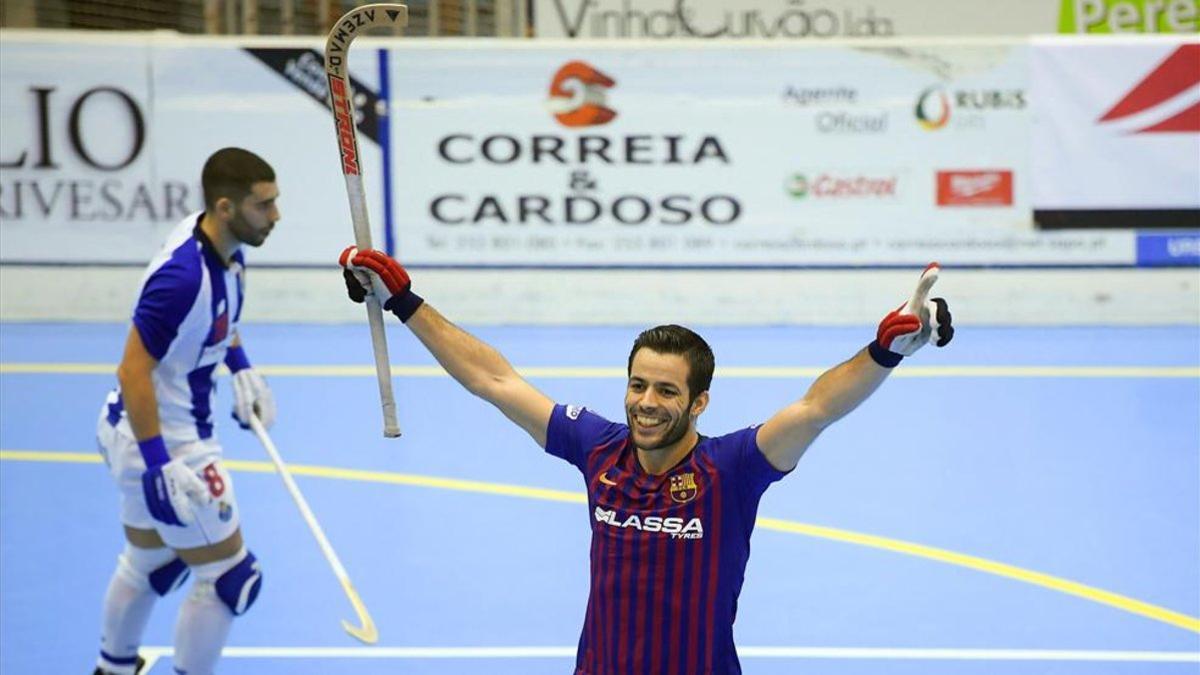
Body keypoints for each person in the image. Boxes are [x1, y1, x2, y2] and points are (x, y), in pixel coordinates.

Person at [339, 247, 953, 675]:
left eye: (666, 391)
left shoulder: (733, 468)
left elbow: (817, 407)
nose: (646, 404)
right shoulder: (597, 447)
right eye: (638, 386)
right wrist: (404, 301)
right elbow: (494, 379)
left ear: (699, 402)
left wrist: (883, 351)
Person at [93, 147, 280, 675]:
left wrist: (240, 367)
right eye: (263, 205)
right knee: (231, 576)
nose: (276, 216)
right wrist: (159, 463)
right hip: (165, 438)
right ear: (225, 207)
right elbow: (132, 369)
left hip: (135, 431)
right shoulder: (181, 279)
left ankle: (112, 667)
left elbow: (217, 321)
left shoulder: (227, 250)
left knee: (150, 561)